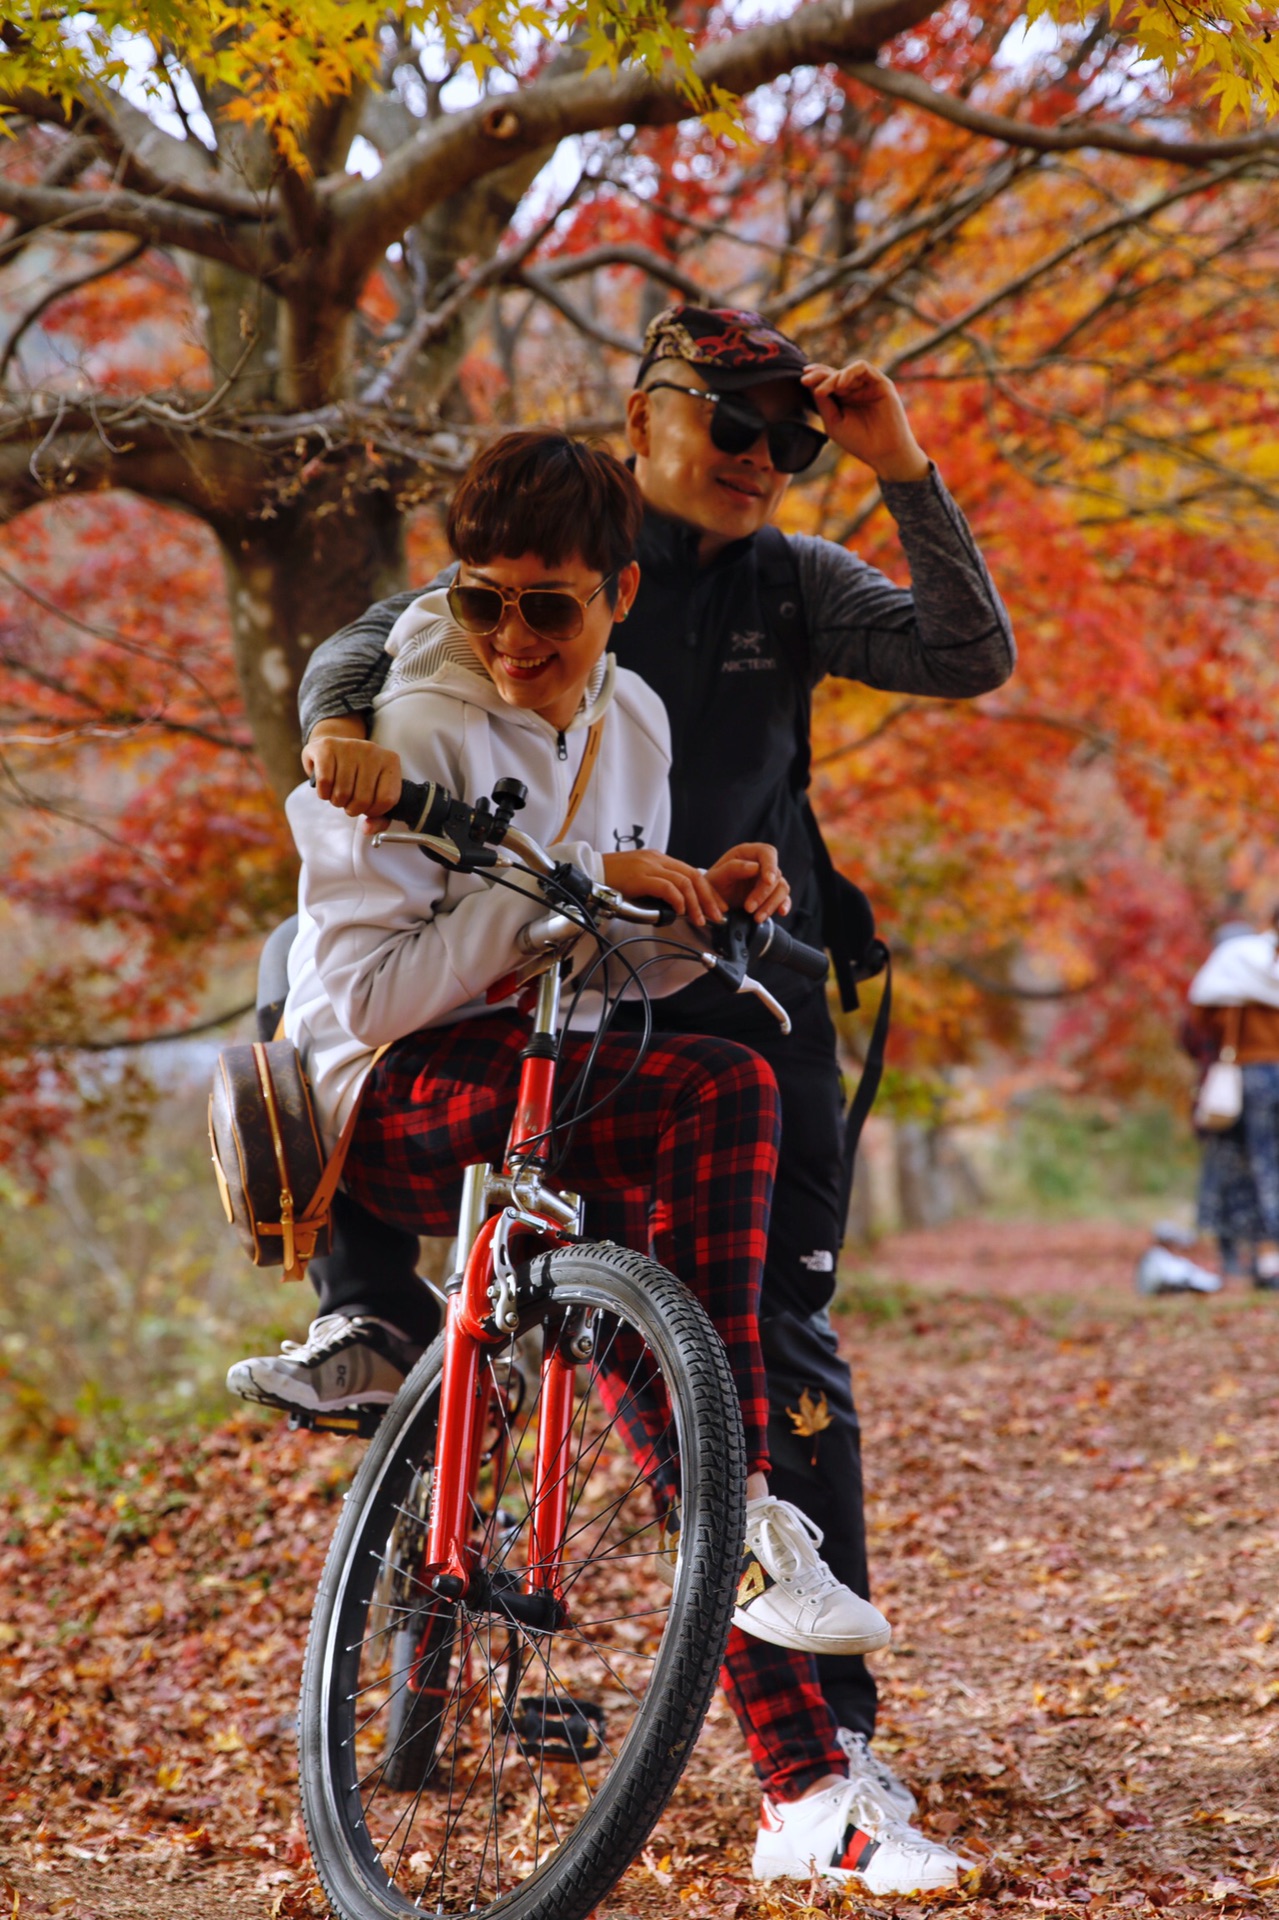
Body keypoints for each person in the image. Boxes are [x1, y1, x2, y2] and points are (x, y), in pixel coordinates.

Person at [241, 307, 1015, 1892]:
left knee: (732, 1360)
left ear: (620, 608)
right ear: (645, 419)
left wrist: (895, 465)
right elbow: (374, 676)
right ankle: (416, 1603)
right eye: (726, 423)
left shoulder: (756, 602)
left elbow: (966, 654)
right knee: (555, 1347)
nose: (755, 456)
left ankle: (817, 1735)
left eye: (782, 436)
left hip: (661, 1013)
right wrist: (343, 742)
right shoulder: (498, 590)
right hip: (462, 1042)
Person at [240, 428, 892, 1675]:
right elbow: (369, 999)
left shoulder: (632, 716)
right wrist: (584, 881)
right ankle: (702, 1490)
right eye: (481, 600)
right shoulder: (412, 725)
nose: (510, 638)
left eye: (548, 607)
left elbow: (592, 965)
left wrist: (703, 907)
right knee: (709, 1096)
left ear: (621, 594)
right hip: (387, 1104)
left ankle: (736, 1508)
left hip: (548, 1074)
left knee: (730, 1080)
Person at [1187, 913, 1279, 1289]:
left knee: (1237, 1165)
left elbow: (1195, 1023)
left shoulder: (1227, 978)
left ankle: (1244, 1257)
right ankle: (1269, 1260)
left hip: (1245, 1076)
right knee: (1269, 1164)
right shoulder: (1269, 965)